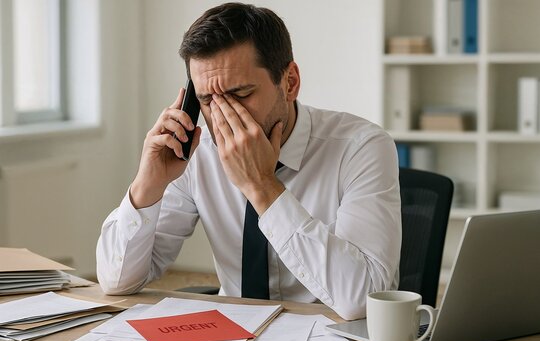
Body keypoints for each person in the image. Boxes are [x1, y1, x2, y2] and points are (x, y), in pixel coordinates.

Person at [96, 2, 401, 320]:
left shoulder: (361, 147)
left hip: (328, 338)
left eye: (240, 94)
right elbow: (117, 281)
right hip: (233, 337)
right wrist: (148, 184)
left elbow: (363, 299)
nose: (222, 116)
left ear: (290, 83)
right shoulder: (197, 151)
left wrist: (263, 187)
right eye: (206, 100)